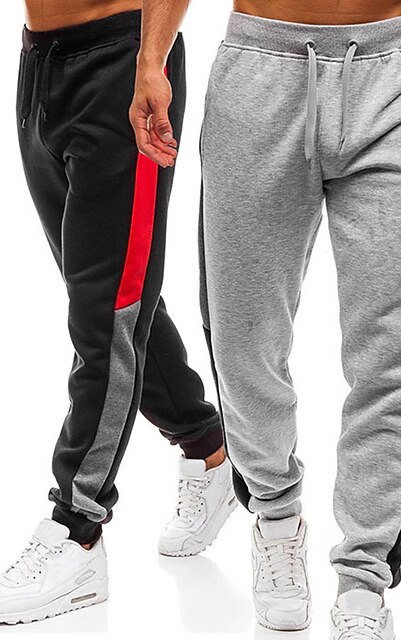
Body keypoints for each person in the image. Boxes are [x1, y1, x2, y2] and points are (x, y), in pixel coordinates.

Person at [132, 0, 401, 636]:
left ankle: (364, 577)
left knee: (393, 353)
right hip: (260, 67)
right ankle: (275, 514)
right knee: (243, 336)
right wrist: (152, 56)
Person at [0, 0, 237, 625]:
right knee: (109, 301)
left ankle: (76, 526)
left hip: (123, 67)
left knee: (107, 315)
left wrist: (151, 60)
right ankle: (208, 447)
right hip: (40, 66)